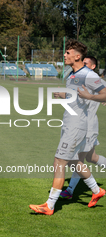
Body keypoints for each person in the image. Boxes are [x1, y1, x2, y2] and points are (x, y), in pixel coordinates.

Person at [29, 40, 106, 215]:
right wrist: (63, 94)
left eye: (68, 52)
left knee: (59, 161)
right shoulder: (72, 74)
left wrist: (89, 96)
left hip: (77, 125)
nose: (65, 55)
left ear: (77, 56)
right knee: (73, 161)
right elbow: (77, 96)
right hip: (69, 122)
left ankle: (49, 205)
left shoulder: (89, 74)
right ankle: (96, 190)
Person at [58, 56, 106, 200]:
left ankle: (72, 190)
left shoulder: (96, 81)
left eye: (86, 64)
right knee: (90, 157)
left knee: (75, 159)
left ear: (93, 67)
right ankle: (74, 190)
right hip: (80, 123)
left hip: (88, 126)